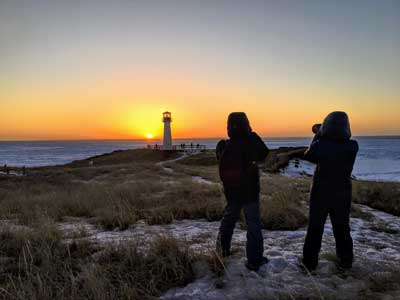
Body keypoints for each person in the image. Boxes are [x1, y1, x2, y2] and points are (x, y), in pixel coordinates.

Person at [302, 111, 359, 272]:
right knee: (342, 229)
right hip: (343, 193)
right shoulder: (353, 146)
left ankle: (309, 263)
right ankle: (346, 261)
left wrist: (319, 135)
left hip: (321, 193)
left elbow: (309, 155)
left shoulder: (321, 145)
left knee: (315, 229)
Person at [216, 112, 270, 271]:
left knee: (228, 221)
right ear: (246, 125)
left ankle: (221, 252)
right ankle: (255, 260)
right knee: (253, 224)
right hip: (250, 192)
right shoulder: (251, 142)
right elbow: (265, 154)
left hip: (231, 192)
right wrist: (252, 134)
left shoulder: (224, 145)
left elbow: (219, 160)